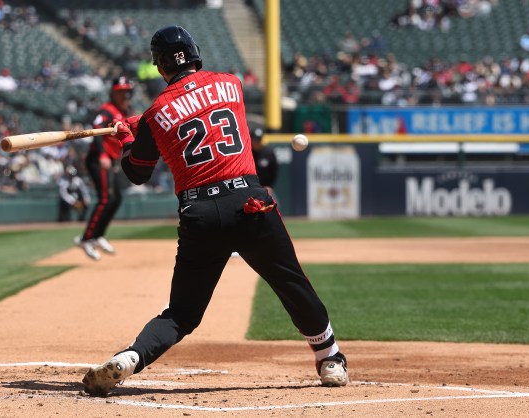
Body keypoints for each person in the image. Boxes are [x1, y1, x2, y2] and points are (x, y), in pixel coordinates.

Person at [82, 25, 348, 397]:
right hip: (250, 204)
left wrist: (128, 135)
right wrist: (139, 126)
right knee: (290, 283)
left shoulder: (157, 112)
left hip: (200, 214)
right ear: (194, 53)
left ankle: (131, 357)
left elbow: (136, 171)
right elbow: (198, 108)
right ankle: (330, 359)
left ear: (160, 67)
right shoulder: (230, 83)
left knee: (182, 314)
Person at [74, 76, 134, 260]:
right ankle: (85, 239)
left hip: (111, 159)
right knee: (105, 198)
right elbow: (97, 129)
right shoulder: (107, 110)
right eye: (120, 91)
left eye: (126, 91)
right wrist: (101, 155)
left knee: (116, 199)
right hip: (98, 158)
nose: (124, 95)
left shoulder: (123, 111)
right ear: (112, 93)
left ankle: (98, 235)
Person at [250, 127, 278, 193]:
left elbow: (274, 171)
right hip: (249, 188)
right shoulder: (248, 152)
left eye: (258, 140)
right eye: (254, 140)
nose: (256, 142)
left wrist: (269, 186)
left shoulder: (268, 152)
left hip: (264, 187)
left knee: (273, 202)